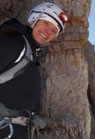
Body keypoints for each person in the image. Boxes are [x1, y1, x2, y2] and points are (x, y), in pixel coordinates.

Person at [0, 2, 68, 139]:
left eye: (54, 31)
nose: (48, 32)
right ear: (34, 20)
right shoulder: (14, 43)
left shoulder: (31, 54)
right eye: (46, 23)